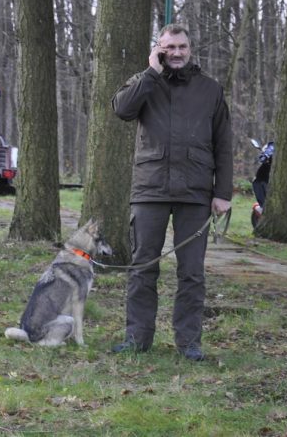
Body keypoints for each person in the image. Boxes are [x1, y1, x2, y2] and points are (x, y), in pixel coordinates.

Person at [110, 23, 233, 361]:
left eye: (182, 46)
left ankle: (188, 343)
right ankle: (137, 338)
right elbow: (121, 109)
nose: (176, 53)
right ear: (159, 49)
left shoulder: (210, 89)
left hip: (195, 192)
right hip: (150, 189)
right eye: (169, 47)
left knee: (192, 272)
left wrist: (222, 192)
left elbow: (223, 144)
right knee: (142, 266)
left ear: (190, 49)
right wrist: (151, 72)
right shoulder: (145, 81)